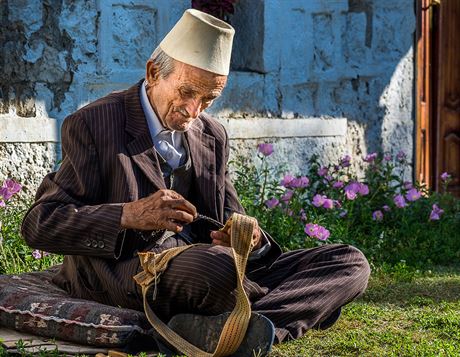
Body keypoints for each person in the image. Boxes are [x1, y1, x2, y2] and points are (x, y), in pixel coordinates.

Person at [22, 8, 370, 355]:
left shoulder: (212, 135)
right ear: (154, 72)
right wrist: (129, 214)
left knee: (350, 262)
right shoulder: (93, 123)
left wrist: (253, 239)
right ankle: (273, 310)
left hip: (210, 270)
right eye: (187, 92)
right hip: (130, 271)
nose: (194, 110)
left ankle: (243, 327)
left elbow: (234, 220)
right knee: (219, 269)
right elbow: (40, 224)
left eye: (209, 99)